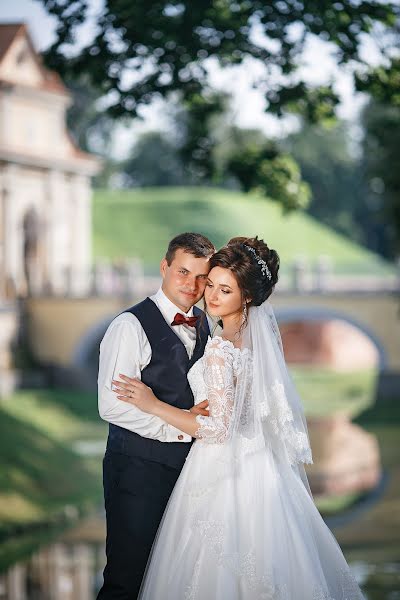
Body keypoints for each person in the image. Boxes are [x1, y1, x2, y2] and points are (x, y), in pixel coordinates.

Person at [113, 236, 365, 600]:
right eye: (211, 285)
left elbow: (216, 429)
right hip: (262, 469)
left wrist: (153, 405)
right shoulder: (250, 337)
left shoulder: (220, 347)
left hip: (221, 471)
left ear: (246, 296)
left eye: (224, 290)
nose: (211, 296)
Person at [96, 232, 215, 599]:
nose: (191, 285)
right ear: (164, 267)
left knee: (176, 579)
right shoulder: (128, 327)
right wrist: (183, 427)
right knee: (127, 578)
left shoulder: (206, 323)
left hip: (193, 473)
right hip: (138, 471)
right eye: (182, 272)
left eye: (201, 278)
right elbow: (112, 405)